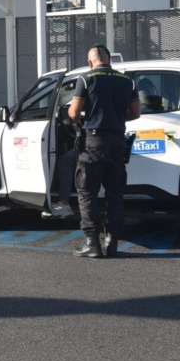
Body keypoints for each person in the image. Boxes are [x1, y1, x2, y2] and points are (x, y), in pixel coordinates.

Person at [68, 44, 141, 258]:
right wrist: (116, 118)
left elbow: (73, 112)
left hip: (93, 141)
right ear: (109, 60)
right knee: (115, 193)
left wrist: (86, 117)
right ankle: (112, 241)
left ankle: (92, 243)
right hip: (118, 142)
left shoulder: (86, 78)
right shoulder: (127, 81)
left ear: (91, 61)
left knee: (87, 191)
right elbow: (136, 113)